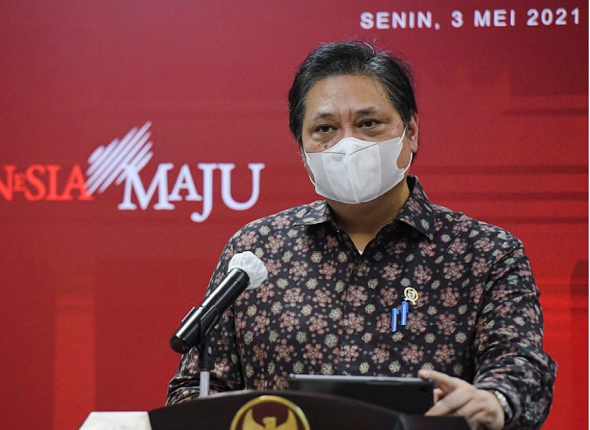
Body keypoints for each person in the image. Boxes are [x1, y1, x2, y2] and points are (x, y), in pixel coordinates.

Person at [166, 40, 556, 429]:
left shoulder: (486, 253)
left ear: (411, 132)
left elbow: (519, 367)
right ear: (302, 151)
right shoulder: (256, 251)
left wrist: (494, 400)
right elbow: (197, 388)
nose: (347, 144)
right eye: (325, 129)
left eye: (368, 123)